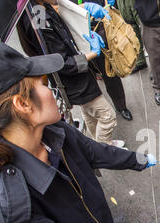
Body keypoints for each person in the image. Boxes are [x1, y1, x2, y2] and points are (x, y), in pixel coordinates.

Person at [0, 40, 157, 223]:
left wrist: (134, 160)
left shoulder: (53, 129)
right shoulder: (5, 203)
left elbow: (90, 150)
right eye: (44, 84)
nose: (54, 90)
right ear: (23, 105)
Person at [18, 0, 125, 147]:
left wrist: (83, 9)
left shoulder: (42, 7)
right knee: (108, 116)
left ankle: (95, 141)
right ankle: (103, 147)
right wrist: (92, 54)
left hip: (79, 73)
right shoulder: (38, 18)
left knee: (89, 112)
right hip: (73, 81)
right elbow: (61, 62)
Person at [77, 0, 134, 121]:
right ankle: (96, 113)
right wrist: (83, 7)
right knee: (86, 76)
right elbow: (58, 9)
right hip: (78, 34)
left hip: (100, 28)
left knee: (110, 74)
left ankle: (121, 106)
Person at [115, 0, 148, 74]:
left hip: (137, 17)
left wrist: (141, 23)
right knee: (135, 42)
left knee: (148, 41)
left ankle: (154, 69)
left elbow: (136, 10)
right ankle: (141, 62)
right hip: (128, 20)